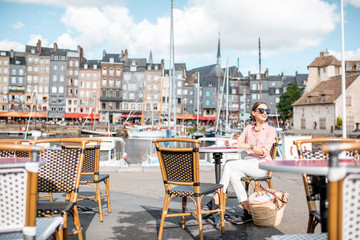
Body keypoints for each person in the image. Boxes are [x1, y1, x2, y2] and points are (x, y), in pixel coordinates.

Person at [205, 101, 276, 224]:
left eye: (267, 111)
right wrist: (231, 142)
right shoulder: (248, 128)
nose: (265, 113)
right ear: (254, 113)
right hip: (247, 163)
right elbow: (238, 142)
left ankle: (217, 199)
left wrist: (248, 145)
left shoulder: (271, 130)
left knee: (229, 164)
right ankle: (247, 210)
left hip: (261, 164)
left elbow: (264, 152)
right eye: (262, 110)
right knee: (233, 174)